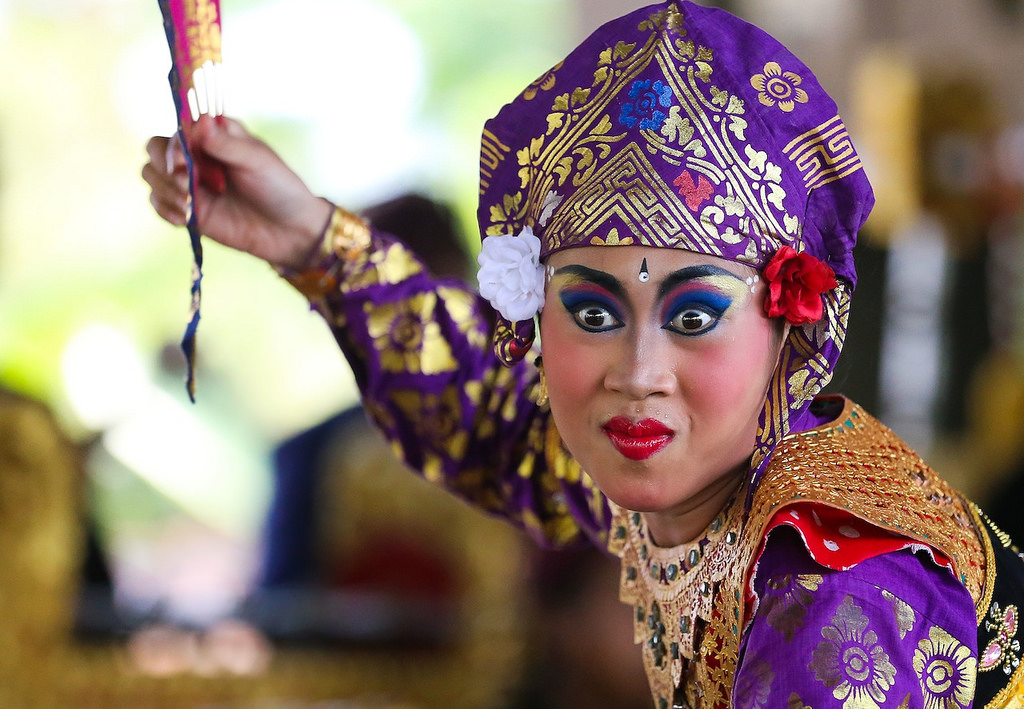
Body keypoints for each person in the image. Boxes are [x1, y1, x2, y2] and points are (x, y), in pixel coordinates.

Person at [143, 2, 1024, 706]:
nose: (637, 372)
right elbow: (489, 415)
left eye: (694, 316)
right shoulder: (698, 483)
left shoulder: (837, 589)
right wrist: (311, 240)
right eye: (594, 313)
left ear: (790, 329)